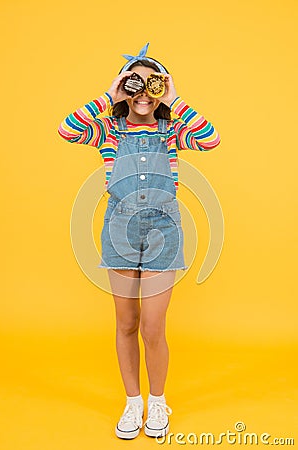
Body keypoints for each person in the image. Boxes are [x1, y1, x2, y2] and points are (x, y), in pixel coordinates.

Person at [58, 43, 221, 440]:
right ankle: (133, 402)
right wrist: (109, 95)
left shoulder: (172, 131)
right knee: (126, 323)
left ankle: (158, 400)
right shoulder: (108, 130)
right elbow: (67, 129)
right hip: (120, 230)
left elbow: (211, 138)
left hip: (164, 229)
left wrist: (174, 98)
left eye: (152, 84)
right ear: (124, 89)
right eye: (135, 85)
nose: (143, 94)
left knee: (152, 327)